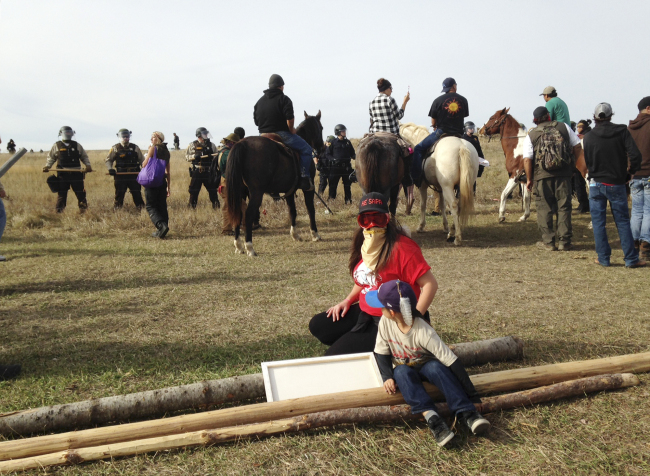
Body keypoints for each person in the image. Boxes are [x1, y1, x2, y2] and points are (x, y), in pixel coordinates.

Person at [309, 192, 437, 356]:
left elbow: (430, 285)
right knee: (319, 326)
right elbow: (365, 278)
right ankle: (367, 347)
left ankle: (387, 346)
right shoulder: (365, 243)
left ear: (387, 218)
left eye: (378, 219)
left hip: (390, 319)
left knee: (332, 358)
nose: (372, 225)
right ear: (359, 221)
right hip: (366, 311)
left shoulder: (403, 248)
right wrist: (348, 300)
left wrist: (413, 322)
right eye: (365, 219)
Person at [370, 279, 489, 447]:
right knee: (401, 373)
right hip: (404, 368)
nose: (380, 309)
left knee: (437, 368)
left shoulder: (423, 330)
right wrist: (387, 377)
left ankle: (467, 412)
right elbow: (381, 352)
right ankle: (432, 417)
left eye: (381, 306)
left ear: (391, 311)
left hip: (426, 365)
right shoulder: (385, 323)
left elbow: (451, 361)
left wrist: (474, 396)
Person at [583, 103, 645, 267]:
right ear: (611, 116)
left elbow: (587, 161)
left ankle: (603, 258)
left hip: (596, 184)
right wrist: (631, 172)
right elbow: (635, 155)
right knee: (623, 221)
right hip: (617, 183)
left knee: (598, 223)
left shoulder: (588, 136)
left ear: (595, 117)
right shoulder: (621, 131)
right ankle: (631, 259)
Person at [523, 107, 583, 251]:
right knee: (564, 207)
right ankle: (565, 242)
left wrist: (530, 179)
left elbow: (527, 159)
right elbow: (577, 146)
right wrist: (573, 166)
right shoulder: (564, 128)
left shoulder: (531, 134)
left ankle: (549, 242)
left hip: (542, 177)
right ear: (548, 116)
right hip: (564, 175)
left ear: (535, 120)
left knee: (544, 208)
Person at [254, 74, 314, 191]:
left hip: (262, 135)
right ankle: (304, 177)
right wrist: (291, 129)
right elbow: (290, 118)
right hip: (281, 134)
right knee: (307, 149)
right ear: (281, 86)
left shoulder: (259, 102)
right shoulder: (284, 99)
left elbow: (256, 122)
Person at [412, 78, 469, 187]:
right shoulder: (463, 100)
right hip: (459, 133)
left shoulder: (438, 100)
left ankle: (417, 177)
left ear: (447, 88)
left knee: (418, 148)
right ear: (454, 86)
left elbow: (433, 120)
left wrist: (434, 126)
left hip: (442, 132)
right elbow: (464, 115)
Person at [43, 126, 92, 213]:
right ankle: (59, 213)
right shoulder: (57, 145)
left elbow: (84, 156)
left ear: (72, 133)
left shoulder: (77, 145)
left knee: (80, 193)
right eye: (66, 132)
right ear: (61, 134)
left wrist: (88, 165)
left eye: (69, 132)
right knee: (62, 194)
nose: (68, 134)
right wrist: (47, 166)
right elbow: (51, 158)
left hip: (76, 173)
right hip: (62, 174)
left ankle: (83, 212)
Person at [628, 96, 650, 260]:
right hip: (649, 173)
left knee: (636, 210)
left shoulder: (630, 128)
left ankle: (634, 242)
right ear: (648, 109)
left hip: (634, 175)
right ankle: (645, 244)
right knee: (649, 210)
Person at [105, 128, 145, 209]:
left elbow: (142, 161)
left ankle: (142, 209)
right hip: (120, 175)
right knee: (119, 194)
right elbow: (108, 160)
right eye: (123, 136)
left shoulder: (135, 148)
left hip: (134, 175)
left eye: (127, 136)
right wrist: (110, 169)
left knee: (137, 193)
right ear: (119, 137)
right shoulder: (115, 148)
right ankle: (117, 210)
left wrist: (145, 170)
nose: (125, 138)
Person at [144, 131, 171, 239]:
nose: (151, 139)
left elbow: (144, 164)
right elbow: (168, 171)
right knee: (162, 205)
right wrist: (169, 186)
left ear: (158, 139)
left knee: (150, 206)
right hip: (162, 181)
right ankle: (164, 229)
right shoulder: (167, 151)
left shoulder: (153, 148)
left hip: (152, 181)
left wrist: (147, 154)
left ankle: (161, 226)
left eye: (153, 137)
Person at [185, 127, 220, 209]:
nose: (206, 135)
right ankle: (191, 208)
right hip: (198, 170)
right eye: (204, 134)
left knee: (213, 190)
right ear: (199, 135)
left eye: (206, 134)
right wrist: (194, 156)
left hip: (208, 171)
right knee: (194, 191)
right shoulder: (192, 145)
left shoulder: (212, 145)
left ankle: (216, 207)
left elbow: (217, 155)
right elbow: (187, 157)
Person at [217, 133, 245, 235]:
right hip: (227, 182)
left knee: (240, 205)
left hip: (225, 181)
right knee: (230, 206)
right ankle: (227, 229)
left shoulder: (223, 152)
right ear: (233, 143)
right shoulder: (228, 154)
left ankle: (243, 226)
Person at [323, 124, 356, 203]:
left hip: (346, 167)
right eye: (343, 131)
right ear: (338, 132)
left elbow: (353, 154)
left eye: (345, 131)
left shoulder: (348, 142)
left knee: (347, 185)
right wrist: (333, 160)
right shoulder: (332, 142)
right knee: (333, 185)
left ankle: (348, 201)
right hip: (335, 168)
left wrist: (357, 158)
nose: (344, 132)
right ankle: (331, 200)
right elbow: (327, 154)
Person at [573, 119, 593, 213]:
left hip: (587, 161)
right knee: (579, 184)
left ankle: (586, 205)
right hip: (579, 161)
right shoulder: (577, 137)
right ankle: (583, 204)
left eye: (580, 126)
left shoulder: (589, 135)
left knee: (586, 184)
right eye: (577, 127)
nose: (578, 128)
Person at [462, 121, 488, 187]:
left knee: (473, 178)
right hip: (466, 160)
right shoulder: (462, 138)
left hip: (475, 159)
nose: (472, 129)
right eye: (470, 128)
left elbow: (479, 150)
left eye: (473, 128)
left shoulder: (475, 138)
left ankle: (473, 193)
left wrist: (482, 160)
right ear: (466, 129)